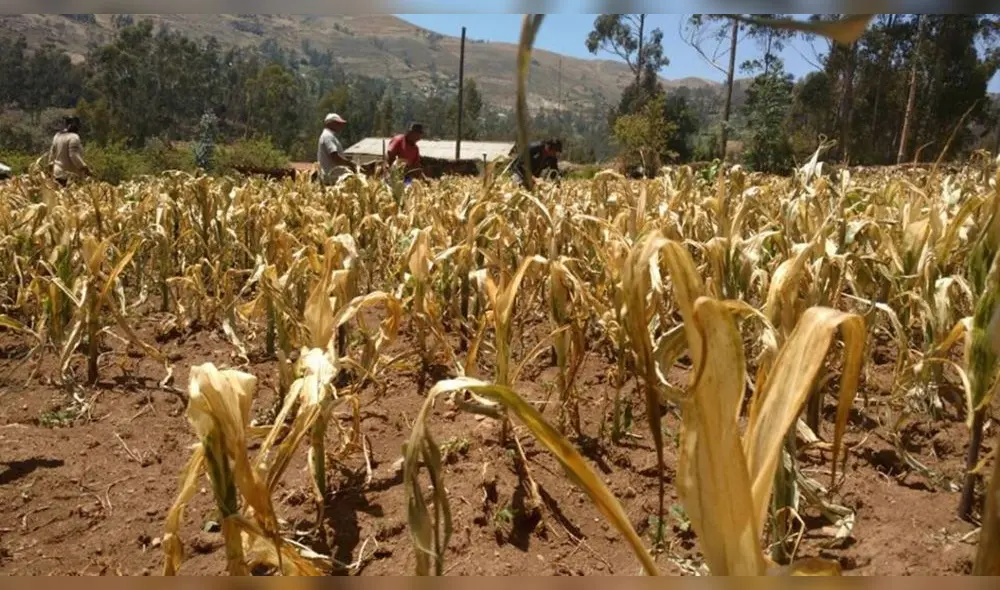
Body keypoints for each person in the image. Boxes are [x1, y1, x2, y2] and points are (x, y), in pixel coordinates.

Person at [48, 116, 91, 186]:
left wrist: (50, 170)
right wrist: (85, 168)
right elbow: (73, 155)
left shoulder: (57, 136)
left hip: (57, 173)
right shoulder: (74, 137)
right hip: (71, 176)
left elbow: (51, 155)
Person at [317, 113, 358, 185]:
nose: (341, 126)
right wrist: (350, 164)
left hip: (332, 178)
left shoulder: (328, 135)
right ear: (330, 124)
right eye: (338, 123)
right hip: (332, 179)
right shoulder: (328, 136)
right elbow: (335, 157)